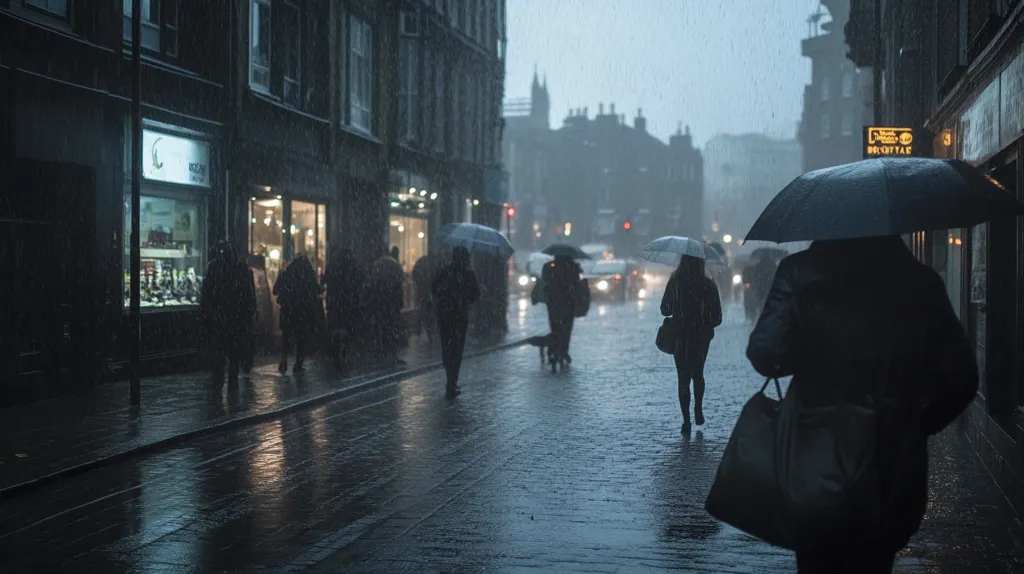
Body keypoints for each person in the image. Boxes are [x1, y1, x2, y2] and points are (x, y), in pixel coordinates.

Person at [746, 236, 978, 573]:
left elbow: (766, 354)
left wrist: (809, 346)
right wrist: (915, 425)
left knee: (817, 558)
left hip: (815, 454)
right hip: (891, 463)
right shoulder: (918, 281)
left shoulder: (799, 273)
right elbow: (962, 376)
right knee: (875, 558)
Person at [660, 254, 722, 434]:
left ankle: (686, 420)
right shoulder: (708, 285)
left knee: (683, 377)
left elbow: (665, 309)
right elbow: (717, 317)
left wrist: (677, 308)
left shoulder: (675, 283)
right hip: (701, 337)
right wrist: (704, 321)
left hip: (680, 335)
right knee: (698, 374)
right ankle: (698, 408)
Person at [200, 241, 256, 386]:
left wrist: (206, 313)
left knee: (219, 353)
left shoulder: (214, 268)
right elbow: (250, 296)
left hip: (219, 317)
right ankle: (232, 382)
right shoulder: (243, 269)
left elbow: (206, 293)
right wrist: (248, 314)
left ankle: (218, 382)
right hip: (236, 317)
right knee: (234, 354)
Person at [431, 247, 480, 398]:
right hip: (459, 316)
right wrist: (464, 299)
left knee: (447, 346)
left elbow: (434, 288)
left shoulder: (444, 271)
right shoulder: (468, 274)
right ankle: (452, 381)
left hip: (444, 315)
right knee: (457, 349)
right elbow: (476, 295)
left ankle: (450, 378)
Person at [273, 255, 321, 374]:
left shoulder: (286, 274)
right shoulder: (309, 276)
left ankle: (284, 359)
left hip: (288, 310)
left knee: (286, 337)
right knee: (301, 339)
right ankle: (298, 364)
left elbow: (275, 290)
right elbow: (318, 290)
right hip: (303, 312)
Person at [323, 248, 364, 372]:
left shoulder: (332, 266)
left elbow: (324, 280)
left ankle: (336, 352)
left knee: (334, 327)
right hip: (348, 303)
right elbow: (359, 282)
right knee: (348, 328)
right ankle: (343, 351)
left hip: (334, 302)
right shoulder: (353, 266)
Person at [542, 254, 582, 373]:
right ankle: (563, 350)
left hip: (554, 303)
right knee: (566, 329)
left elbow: (545, 280)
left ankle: (554, 351)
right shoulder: (573, 266)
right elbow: (577, 282)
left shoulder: (549, 267)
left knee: (555, 328)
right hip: (567, 303)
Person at [368, 251, 406, 362]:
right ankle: (390, 348)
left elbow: (373, 286)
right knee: (390, 326)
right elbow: (400, 287)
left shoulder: (378, 267)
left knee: (381, 326)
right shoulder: (396, 268)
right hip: (391, 305)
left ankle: (381, 348)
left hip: (381, 304)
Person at [412, 254, 438, 343]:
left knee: (427, 316)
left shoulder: (421, 276)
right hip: (428, 300)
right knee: (428, 316)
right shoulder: (430, 277)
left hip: (428, 300)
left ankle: (429, 333)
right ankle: (430, 333)